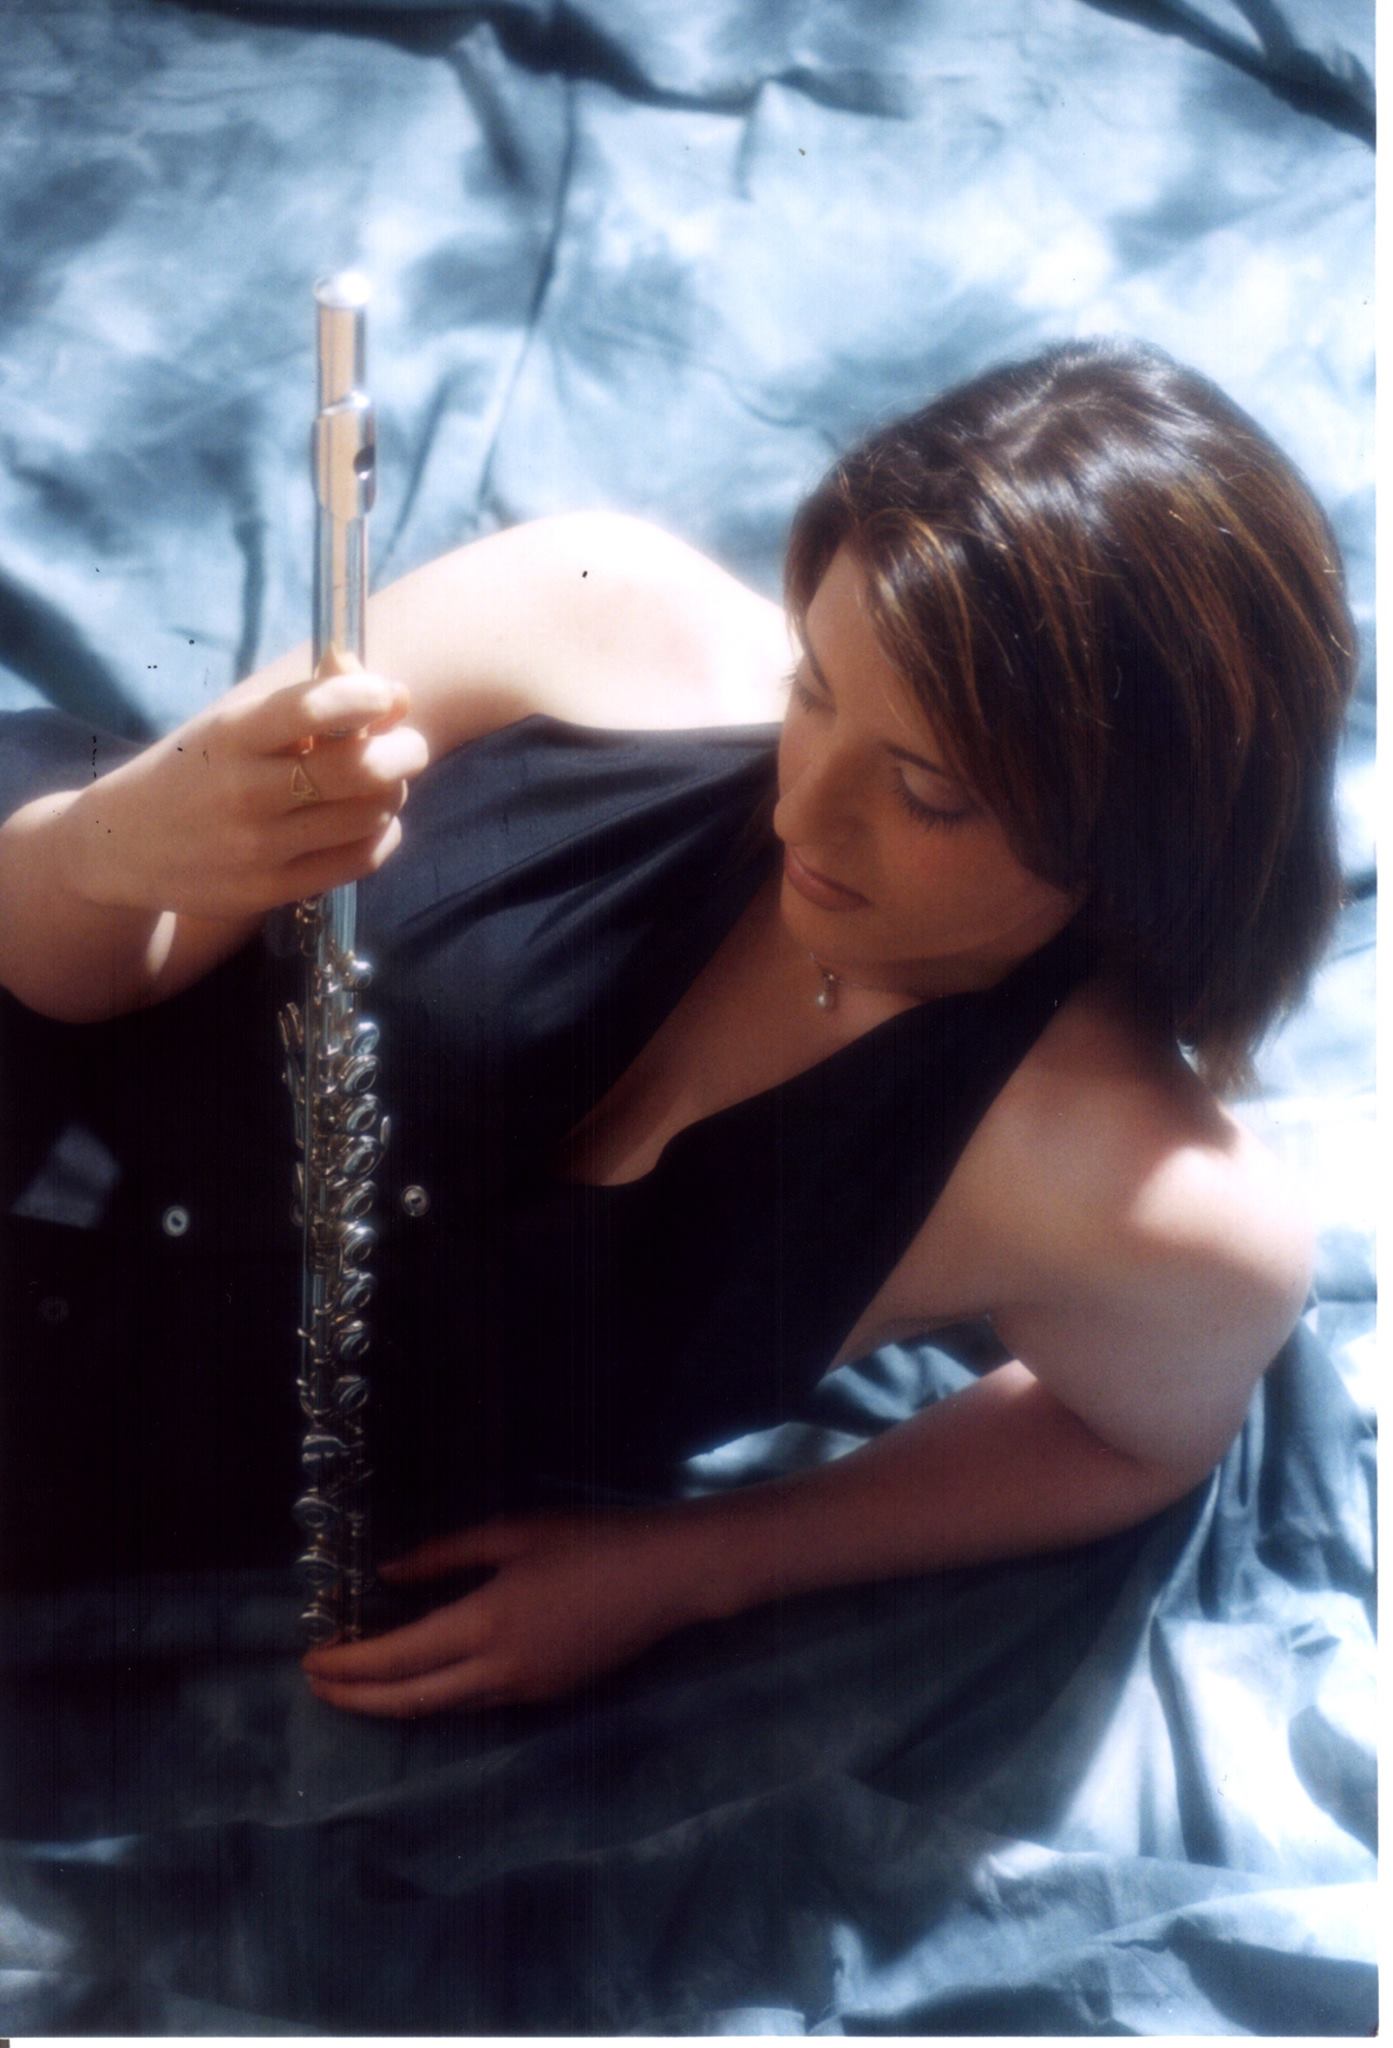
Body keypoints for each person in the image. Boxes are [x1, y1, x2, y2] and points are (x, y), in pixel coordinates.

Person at [0, 337, 1355, 1718]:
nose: (801, 812)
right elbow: (90, 958)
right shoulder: (596, 610)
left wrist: (698, 1565)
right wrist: (117, 844)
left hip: (115, 1472)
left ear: (1139, 840)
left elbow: (1139, 1443)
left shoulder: (1140, 1201)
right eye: (812, 690)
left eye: (928, 794)